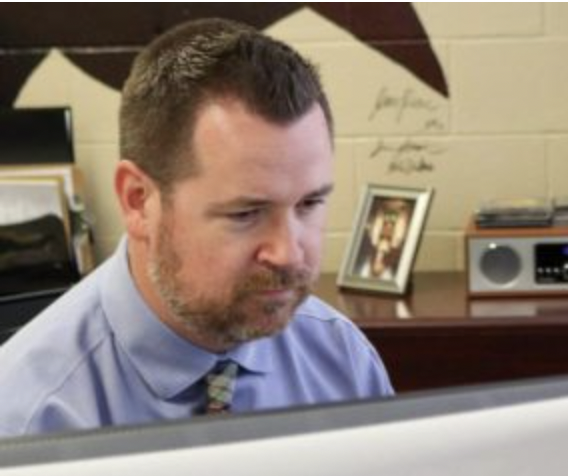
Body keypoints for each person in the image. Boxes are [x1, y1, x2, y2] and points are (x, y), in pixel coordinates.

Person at [0, 18, 393, 437]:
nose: (289, 253)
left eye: (309, 203)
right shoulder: (29, 416)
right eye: (246, 213)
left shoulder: (341, 360)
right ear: (138, 200)